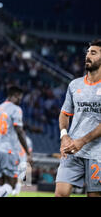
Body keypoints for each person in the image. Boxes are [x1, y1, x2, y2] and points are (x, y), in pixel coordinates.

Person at [55, 39, 101, 197]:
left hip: (97, 153)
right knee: (60, 194)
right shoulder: (74, 85)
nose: (88, 56)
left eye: (93, 53)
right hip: (72, 149)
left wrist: (82, 141)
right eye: (87, 52)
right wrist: (64, 136)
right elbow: (64, 113)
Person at [0, 86, 32, 197]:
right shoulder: (16, 109)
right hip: (8, 149)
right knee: (11, 183)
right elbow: (20, 131)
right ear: (15, 96)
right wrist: (27, 152)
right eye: (19, 98)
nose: (20, 101)